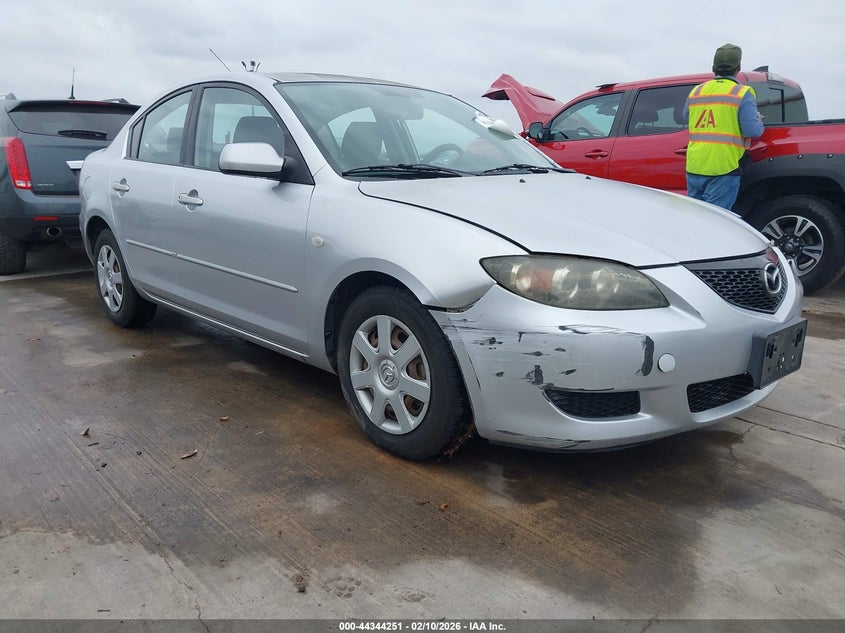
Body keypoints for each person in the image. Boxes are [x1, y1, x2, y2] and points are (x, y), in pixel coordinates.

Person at [683, 43, 765, 210]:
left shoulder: (697, 91)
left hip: (695, 165)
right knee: (716, 220)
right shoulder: (742, 92)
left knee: (695, 217)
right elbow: (752, 131)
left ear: (713, 68)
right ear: (738, 68)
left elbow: (686, 117)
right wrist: (759, 120)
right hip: (723, 168)